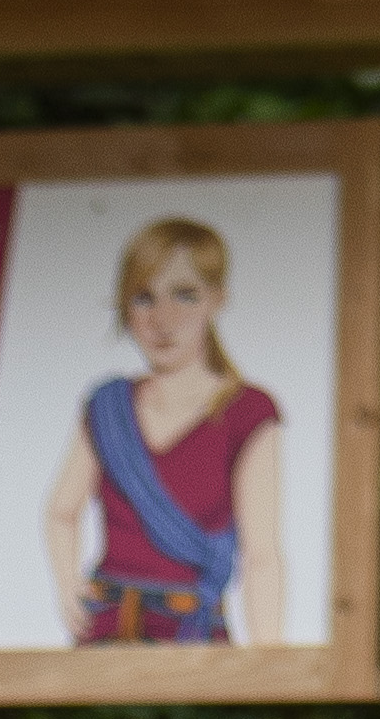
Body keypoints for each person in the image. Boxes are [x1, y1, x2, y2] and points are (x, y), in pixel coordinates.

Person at [44, 215, 284, 646]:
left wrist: (270, 662)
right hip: (105, 625)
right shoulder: (107, 405)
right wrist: (67, 586)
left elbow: (262, 554)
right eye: (143, 298)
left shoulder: (247, 410)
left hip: (190, 626)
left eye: (185, 295)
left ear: (217, 299)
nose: (162, 319)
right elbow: (62, 510)